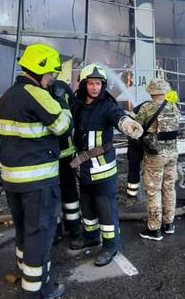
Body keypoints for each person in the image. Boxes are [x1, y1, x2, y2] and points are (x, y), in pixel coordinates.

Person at [0, 43, 70, 298]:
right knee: (39, 233)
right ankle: (37, 290)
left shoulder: (8, 95)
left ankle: (23, 273)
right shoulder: (37, 94)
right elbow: (62, 127)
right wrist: (63, 103)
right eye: (50, 74)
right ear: (38, 70)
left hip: (13, 180)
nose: (52, 79)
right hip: (37, 180)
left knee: (23, 230)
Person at [68, 63, 143, 266]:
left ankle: (111, 246)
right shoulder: (76, 105)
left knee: (105, 210)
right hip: (83, 170)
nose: (95, 88)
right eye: (91, 83)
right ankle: (91, 237)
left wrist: (128, 125)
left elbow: (118, 117)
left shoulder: (107, 105)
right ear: (84, 85)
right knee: (87, 208)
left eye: (98, 83)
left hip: (102, 171)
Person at [136, 78, 180, 240]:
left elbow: (136, 128)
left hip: (155, 156)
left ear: (151, 91)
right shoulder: (174, 107)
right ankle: (169, 224)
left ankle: (154, 229)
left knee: (153, 190)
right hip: (172, 154)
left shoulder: (147, 108)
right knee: (169, 188)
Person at [50, 78, 81, 239]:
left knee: (55, 193)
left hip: (54, 155)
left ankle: (60, 231)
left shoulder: (51, 91)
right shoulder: (62, 88)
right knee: (67, 191)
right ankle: (72, 228)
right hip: (63, 153)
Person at [125, 101, 147, 198]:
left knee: (134, 166)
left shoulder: (143, 104)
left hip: (135, 141)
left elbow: (128, 119)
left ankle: (132, 192)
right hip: (149, 143)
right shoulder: (167, 107)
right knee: (152, 167)